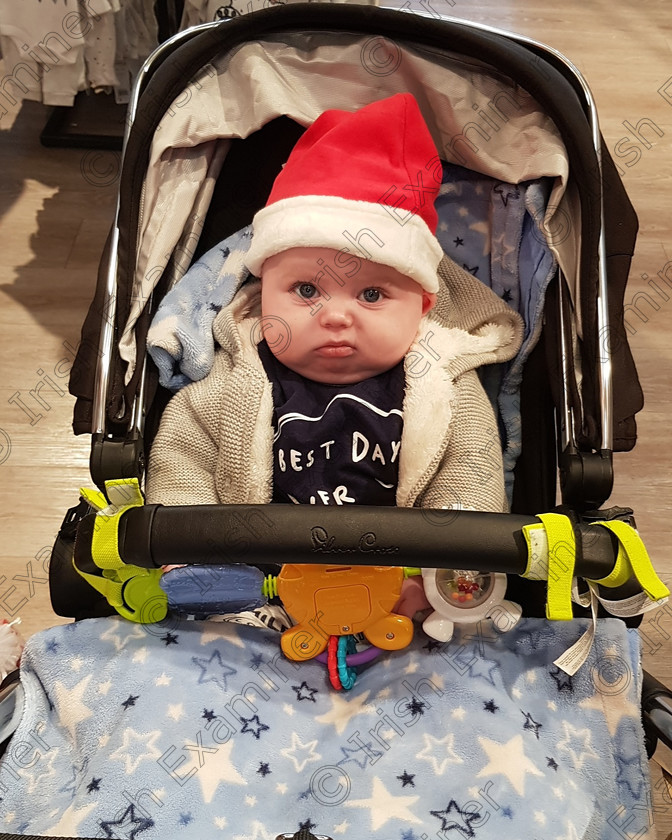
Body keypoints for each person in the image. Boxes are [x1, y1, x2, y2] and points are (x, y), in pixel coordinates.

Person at [145, 93, 523, 618]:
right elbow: (181, 462)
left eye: (372, 295)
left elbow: (469, 488)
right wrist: (188, 555)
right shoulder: (228, 385)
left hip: (397, 601)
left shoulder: (448, 394)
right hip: (253, 599)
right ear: (260, 292)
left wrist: (440, 581)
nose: (335, 316)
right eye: (305, 290)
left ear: (424, 307)